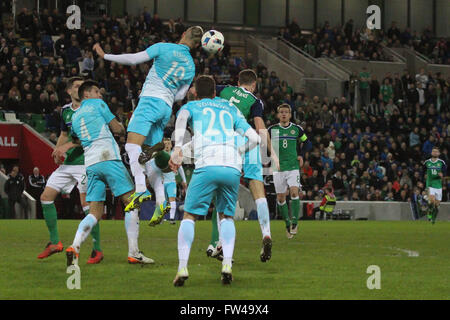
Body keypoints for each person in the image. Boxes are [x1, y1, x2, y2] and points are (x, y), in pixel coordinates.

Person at [92, 26, 203, 214]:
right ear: (197, 44)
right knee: (149, 156)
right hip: (166, 108)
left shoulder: (164, 47)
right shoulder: (191, 66)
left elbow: (134, 59)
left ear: (183, 34)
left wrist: (105, 56)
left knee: (131, 146)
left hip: (150, 100)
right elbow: (180, 96)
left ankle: (141, 189)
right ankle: (161, 203)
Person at [169, 76, 260, 286]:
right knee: (226, 216)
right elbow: (255, 138)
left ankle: (183, 267)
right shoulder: (230, 108)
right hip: (231, 165)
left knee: (189, 216)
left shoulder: (191, 107)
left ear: (194, 93)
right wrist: (239, 150)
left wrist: (177, 148)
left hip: (207, 163)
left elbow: (181, 119)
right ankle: (226, 263)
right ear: (214, 93)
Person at [59, 80, 153, 266]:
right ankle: (134, 252)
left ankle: (75, 245)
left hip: (91, 164)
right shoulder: (98, 104)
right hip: (108, 157)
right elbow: (117, 128)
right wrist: (125, 126)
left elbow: (77, 139)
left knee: (94, 212)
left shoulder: (75, 117)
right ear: (87, 94)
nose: (100, 95)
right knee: (131, 202)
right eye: (96, 91)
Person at [207, 69, 278, 263]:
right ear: (254, 85)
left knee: (223, 192)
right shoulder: (255, 101)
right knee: (257, 187)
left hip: (226, 142)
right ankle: (266, 233)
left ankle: (219, 243)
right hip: (249, 140)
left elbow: (203, 93)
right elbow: (259, 126)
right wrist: (273, 152)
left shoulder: (223, 89)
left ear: (238, 82)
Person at [37, 77, 103, 264]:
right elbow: (64, 135)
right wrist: (57, 150)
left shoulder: (90, 110)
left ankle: (97, 250)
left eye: (82, 86)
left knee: (87, 206)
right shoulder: (66, 111)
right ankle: (55, 242)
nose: (80, 88)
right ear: (69, 91)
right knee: (45, 197)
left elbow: (87, 138)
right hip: (68, 165)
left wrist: (66, 147)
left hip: (86, 162)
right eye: (76, 86)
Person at [268, 104, 308, 238]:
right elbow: (263, 143)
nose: (284, 114)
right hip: (278, 168)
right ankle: (287, 223)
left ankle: (295, 222)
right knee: (280, 197)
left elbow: (306, 142)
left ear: (290, 115)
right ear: (278, 115)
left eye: (286, 112)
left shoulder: (296, 129)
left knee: (294, 191)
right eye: (281, 112)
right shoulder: (272, 130)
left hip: (292, 167)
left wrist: (301, 154)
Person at [162, 137, 187, 224]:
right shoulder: (160, 156)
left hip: (171, 182)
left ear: (171, 145)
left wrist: (184, 180)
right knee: (162, 201)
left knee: (172, 199)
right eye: (165, 144)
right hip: (161, 182)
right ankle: (161, 218)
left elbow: (180, 168)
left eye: (168, 144)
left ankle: (172, 218)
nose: (167, 146)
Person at [423, 147, 447, 224]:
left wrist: (442, 175)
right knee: (432, 201)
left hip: (438, 185)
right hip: (430, 184)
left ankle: (433, 219)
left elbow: (444, 173)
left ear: (439, 154)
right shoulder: (427, 162)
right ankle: (429, 214)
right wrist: (424, 176)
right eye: (433, 151)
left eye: (436, 152)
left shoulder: (442, 162)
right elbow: (423, 171)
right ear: (431, 153)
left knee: (437, 205)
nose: (435, 153)